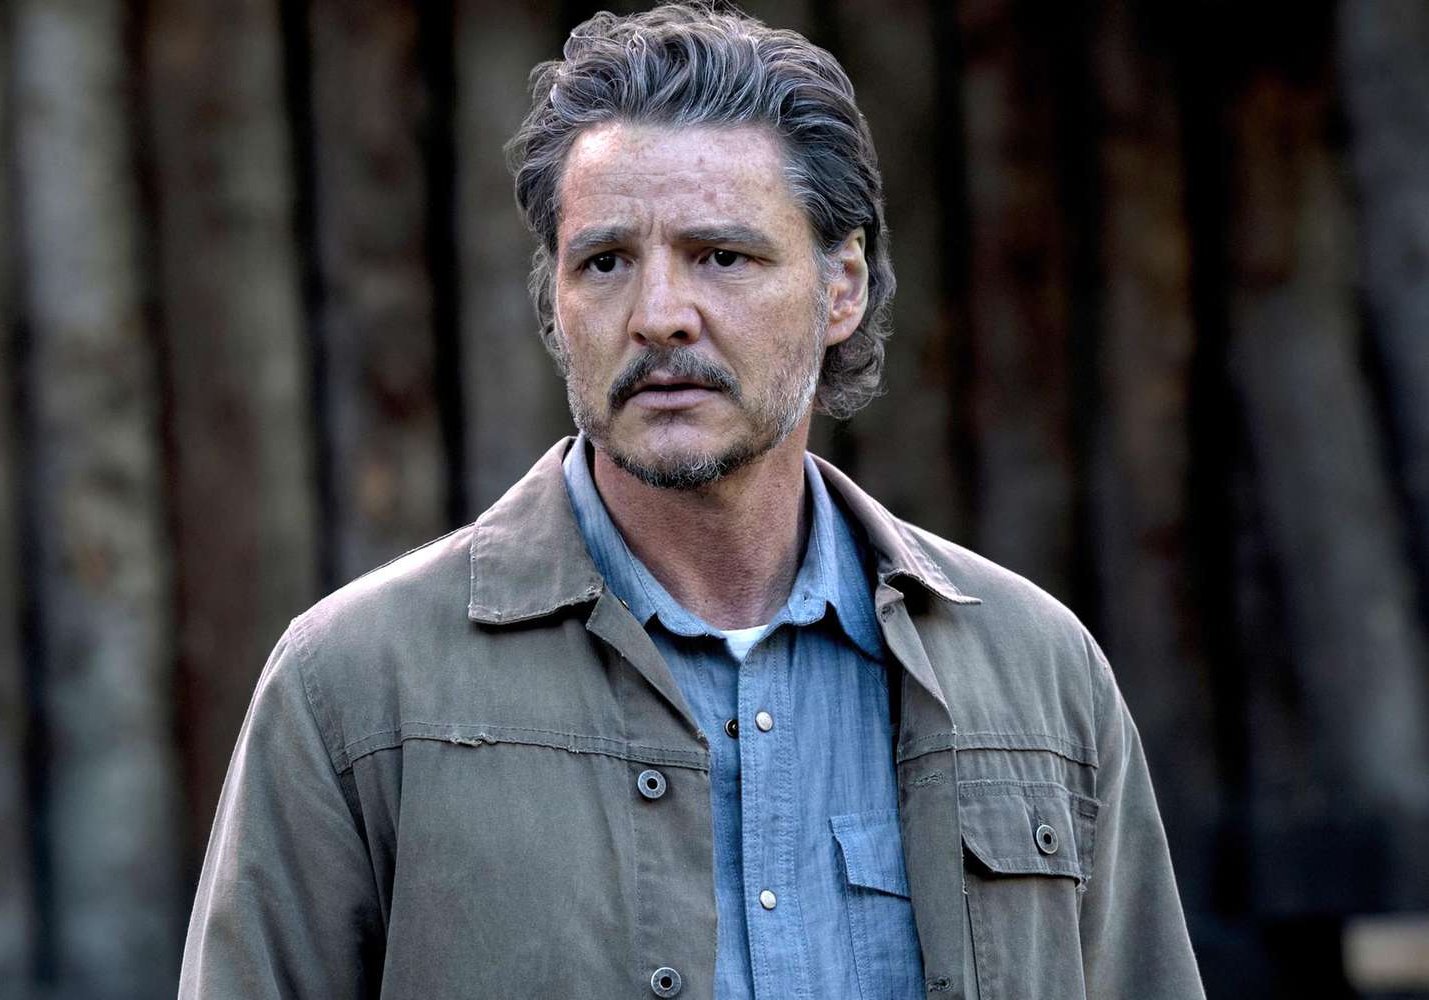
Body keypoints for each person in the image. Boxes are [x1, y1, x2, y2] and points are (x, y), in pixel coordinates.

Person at [179, 5, 1206, 999]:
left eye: (722, 255)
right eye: (606, 262)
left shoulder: (1036, 673)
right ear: (555, 302)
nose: (660, 316)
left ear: (841, 286)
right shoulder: (356, 690)